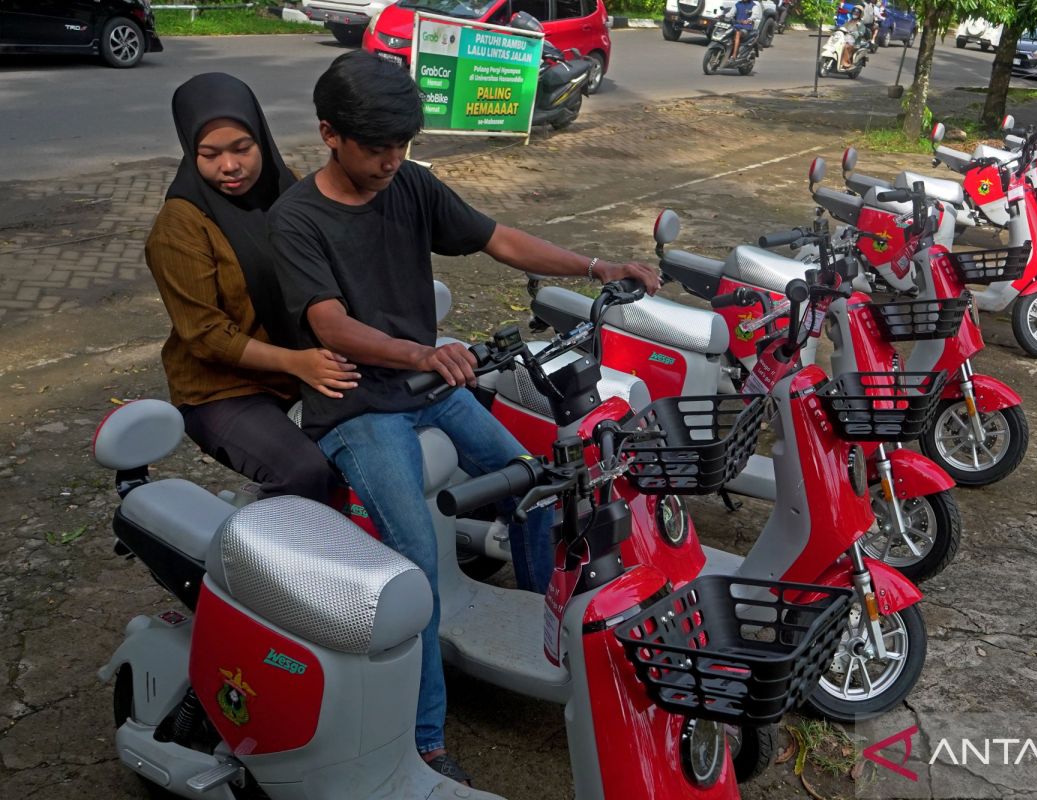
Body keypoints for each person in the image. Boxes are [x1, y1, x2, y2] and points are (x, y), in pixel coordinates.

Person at [268, 50, 660, 786]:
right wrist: (419, 350)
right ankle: (422, 733)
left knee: (540, 482)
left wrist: (596, 267)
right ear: (329, 133)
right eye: (376, 147)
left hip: (427, 381)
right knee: (414, 556)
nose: (391, 160)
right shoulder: (296, 219)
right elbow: (329, 324)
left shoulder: (411, 184)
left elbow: (497, 237)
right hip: (356, 401)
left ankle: (548, 632)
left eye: (402, 145)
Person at [145, 73, 359, 502]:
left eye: (242, 148)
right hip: (222, 389)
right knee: (304, 472)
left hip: (298, 367)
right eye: (210, 154)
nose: (229, 166)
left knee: (378, 437)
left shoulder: (289, 188)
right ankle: (256, 557)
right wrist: (298, 363)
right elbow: (206, 337)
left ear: (261, 137)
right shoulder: (180, 225)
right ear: (191, 151)